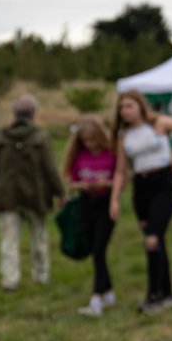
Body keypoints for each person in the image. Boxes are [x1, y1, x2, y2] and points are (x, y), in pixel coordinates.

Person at [110, 89, 172, 314]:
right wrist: (115, 199)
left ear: (139, 105)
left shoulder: (157, 123)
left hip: (163, 183)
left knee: (152, 239)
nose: (125, 111)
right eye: (121, 108)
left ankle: (153, 295)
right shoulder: (123, 136)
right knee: (158, 241)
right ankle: (167, 293)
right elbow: (121, 170)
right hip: (141, 187)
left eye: (129, 106)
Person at [0, 94, 66, 292]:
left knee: (8, 240)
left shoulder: (2, 137)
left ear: (14, 114)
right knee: (39, 237)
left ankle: (10, 279)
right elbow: (50, 169)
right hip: (35, 195)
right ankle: (41, 275)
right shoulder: (40, 137)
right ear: (33, 114)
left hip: (6, 195)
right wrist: (60, 192)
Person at [63, 116, 118, 317]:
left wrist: (108, 183)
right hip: (87, 203)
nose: (90, 144)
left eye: (93, 140)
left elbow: (120, 179)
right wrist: (83, 185)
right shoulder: (78, 157)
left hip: (106, 204)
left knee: (99, 248)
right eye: (86, 141)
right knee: (96, 250)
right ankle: (109, 291)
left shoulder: (112, 154)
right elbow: (72, 181)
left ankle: (96, 298)